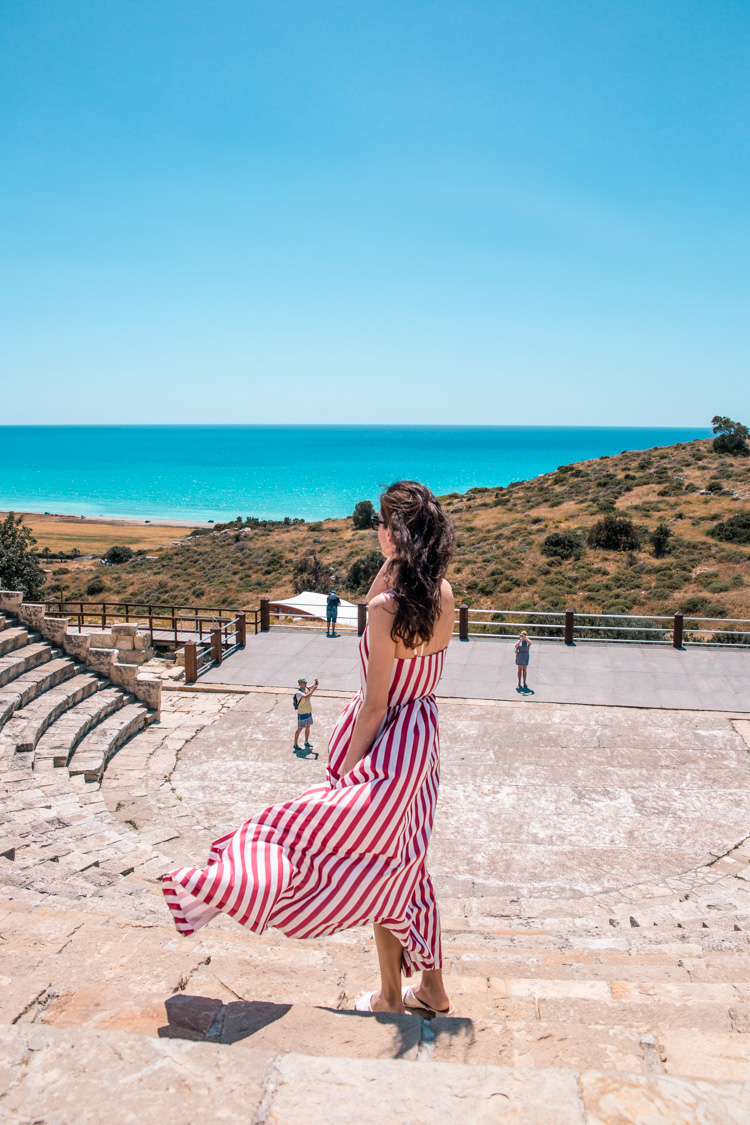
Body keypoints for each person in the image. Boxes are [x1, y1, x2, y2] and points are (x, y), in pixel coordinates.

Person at [161, 480, 456, 1018]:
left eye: (384, 523)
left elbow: (374, 703)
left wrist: (343, 769)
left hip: (386, 742)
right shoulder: (444, 593)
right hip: (421, 742)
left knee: (302, 831)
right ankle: (416, 991)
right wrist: (393, 562)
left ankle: (223, 884)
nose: (376, 531)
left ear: (398, 532)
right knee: (401, 864)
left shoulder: (387, 608)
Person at [293, 677, 318, 750]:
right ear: (300, 684)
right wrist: (313, 690)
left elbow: (314, 685)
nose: (306, 684)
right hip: (302, 713)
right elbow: (306, 696)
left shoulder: (307, 689)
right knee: (300, 729)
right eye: (304, 683)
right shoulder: (298, 693)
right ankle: (295, 744)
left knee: (308, 727)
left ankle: (306, 742)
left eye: (306, 682)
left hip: (308, 712)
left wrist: (316, 682)